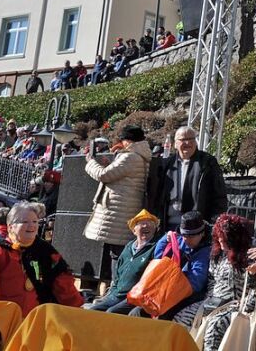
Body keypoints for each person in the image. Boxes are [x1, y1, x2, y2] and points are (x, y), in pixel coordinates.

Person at [0, 201, 83, 316]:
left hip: (36, 325)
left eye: (35, 222)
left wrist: (76, 313)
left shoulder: (47, 252)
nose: (31, 226)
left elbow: (64, 285)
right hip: (4, 326)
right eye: (25, 222)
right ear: (10, 227)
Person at [176, 213, 256, 351]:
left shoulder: (251, 256)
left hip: (237, 304)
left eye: (224, 239)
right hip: (213, 301)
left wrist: (246, 305)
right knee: (180, 320)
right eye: (219, 238)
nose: (221, 242)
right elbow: (212, 280)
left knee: (214, 327)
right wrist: (209, 301)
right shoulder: (218, 255)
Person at [84, 124, 152, 282]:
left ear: (128, 141)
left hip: (119, 212)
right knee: (118, 252)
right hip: (124, 210)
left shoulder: (131, 157)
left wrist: (90, 162)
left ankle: (115, 289)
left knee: (118, 253)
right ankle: (113, 288)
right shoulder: (138, 156)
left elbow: (103, 175)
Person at [129, 210, 211, 320]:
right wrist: (165, 240)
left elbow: (195, 284)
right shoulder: (179, 240)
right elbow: (159, 258)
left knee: (162, 315)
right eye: (184, 235)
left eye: (191, 236)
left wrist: (172, 288)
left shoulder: (205, 252)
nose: (186, 239)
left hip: (187, 294)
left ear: (202, 233)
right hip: (167, 289)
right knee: (136, 312)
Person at [149, 126, 229, 231]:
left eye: (191, 139)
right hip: (168, 226)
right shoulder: (167, 164)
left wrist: (213, 222)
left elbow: (219, 194)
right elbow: (157, 195)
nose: (187, 143)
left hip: (196, 227)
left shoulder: (207, 163)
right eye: (183, 140)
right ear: (175, 144)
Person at [85, 209, 159, 313]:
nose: (146, 226)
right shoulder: (128, 247)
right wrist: (111, 293)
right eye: (142, 223)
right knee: (93, 310)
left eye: (150, 223)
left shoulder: (155, 247)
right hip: (117, 294)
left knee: (111, 312)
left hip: (135, 296)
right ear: (134, 230)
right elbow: (117, 275)